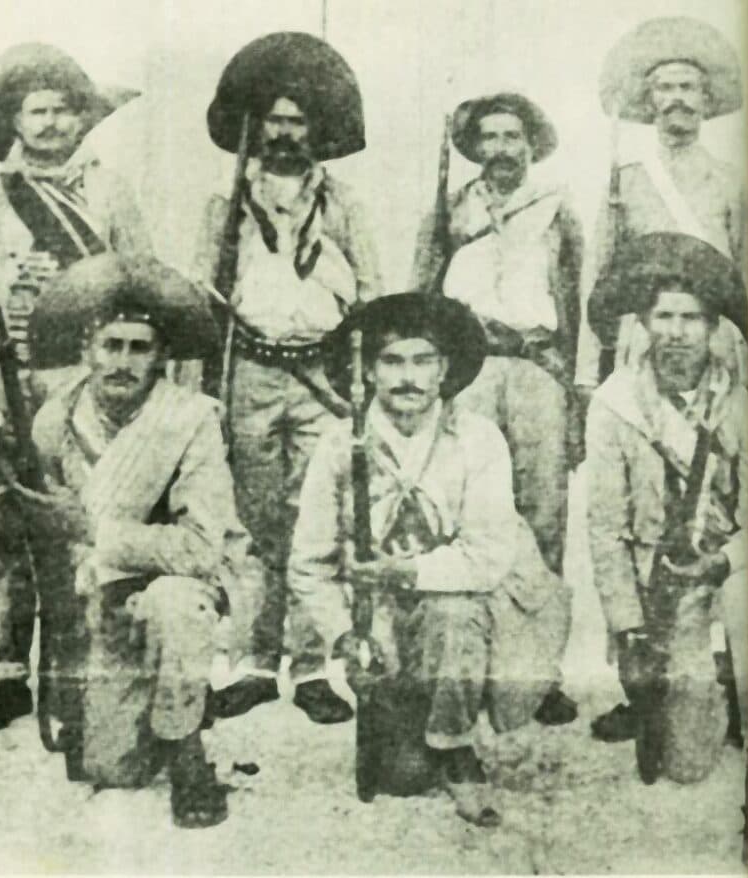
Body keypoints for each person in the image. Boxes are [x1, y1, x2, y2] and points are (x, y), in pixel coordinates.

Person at [289, 292, 569, 826]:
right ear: (368, 372)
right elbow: (309, 561)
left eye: (422, 361)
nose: (407, 378)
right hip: (380, 615)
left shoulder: (479, 439)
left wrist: (408, 571)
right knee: (402, 778)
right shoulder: (336, 444)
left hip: (464, 605)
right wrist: (344, 634)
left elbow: (486, 557)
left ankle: (458, 745)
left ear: (445, 370)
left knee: (453, 611)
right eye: (391, 362)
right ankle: (410, 715)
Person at [15, 253, 249, 828]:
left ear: (162, 356)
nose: (122, 362)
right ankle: (155, 693)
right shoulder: (56, 419)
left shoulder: (191, 418)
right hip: (103, 595)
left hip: (184, 585)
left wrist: (93, 530)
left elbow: (200, 547)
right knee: (112, 766)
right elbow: (46, 531)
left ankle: (188, 744)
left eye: (139, 348)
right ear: (87, 350)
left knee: (173, 605)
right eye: (111, 345)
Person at [193, 32, 381, 724]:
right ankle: (249, 660)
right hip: (249, 372)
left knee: (316, 520)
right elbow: (203, 307)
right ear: (253, 126)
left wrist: (362, 381)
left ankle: (311, 667)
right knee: (250, 519)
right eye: (272, 120)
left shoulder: (342, 204)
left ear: (317, 130)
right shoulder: (226, 206)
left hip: (321, 379)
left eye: (297, 121)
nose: (283, 134)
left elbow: (370, 295)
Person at [0, 42, 152, 733]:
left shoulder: (108, 187)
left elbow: (138, 277)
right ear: (16, 121)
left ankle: (78, 663)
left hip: (76, 370)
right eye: (38, 110)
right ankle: (4, 669)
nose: (52, 123)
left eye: (63, 110)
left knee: (74, 508)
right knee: (3, 517)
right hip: (3, 366)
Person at [412, 92, 583, 725]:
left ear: (531, 145)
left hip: (537, 367)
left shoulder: (558, 209)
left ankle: (538, 675)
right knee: (465, 510)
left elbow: (574, 300)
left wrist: (576, 389)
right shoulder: (449, 212)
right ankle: (465, 667)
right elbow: (421, 293)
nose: (503, 148)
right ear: (474, 148)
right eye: (490, 137)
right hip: (471, 367)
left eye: (514, 136)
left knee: (542, 514)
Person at [585, 233, 747, 806]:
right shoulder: (614, 404)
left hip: (731, 567)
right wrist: (627, 621)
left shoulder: (740, 401)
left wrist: (725, 561)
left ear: (713, 328)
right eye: (664, 317)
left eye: (693, 318)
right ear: (645, 323)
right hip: (659, 577)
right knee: (684, 764)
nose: (677, 332)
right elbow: (604, 528)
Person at [581, 16, 747, 389]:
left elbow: (747, 274)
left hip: (714, 340)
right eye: (665, 88)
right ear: (650, 100)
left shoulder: (731, 182)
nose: (677, 99)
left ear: (706, 100)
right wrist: (586, 374)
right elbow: (595, 279)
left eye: (688, 88)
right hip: (643, 343)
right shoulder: (625, 183)